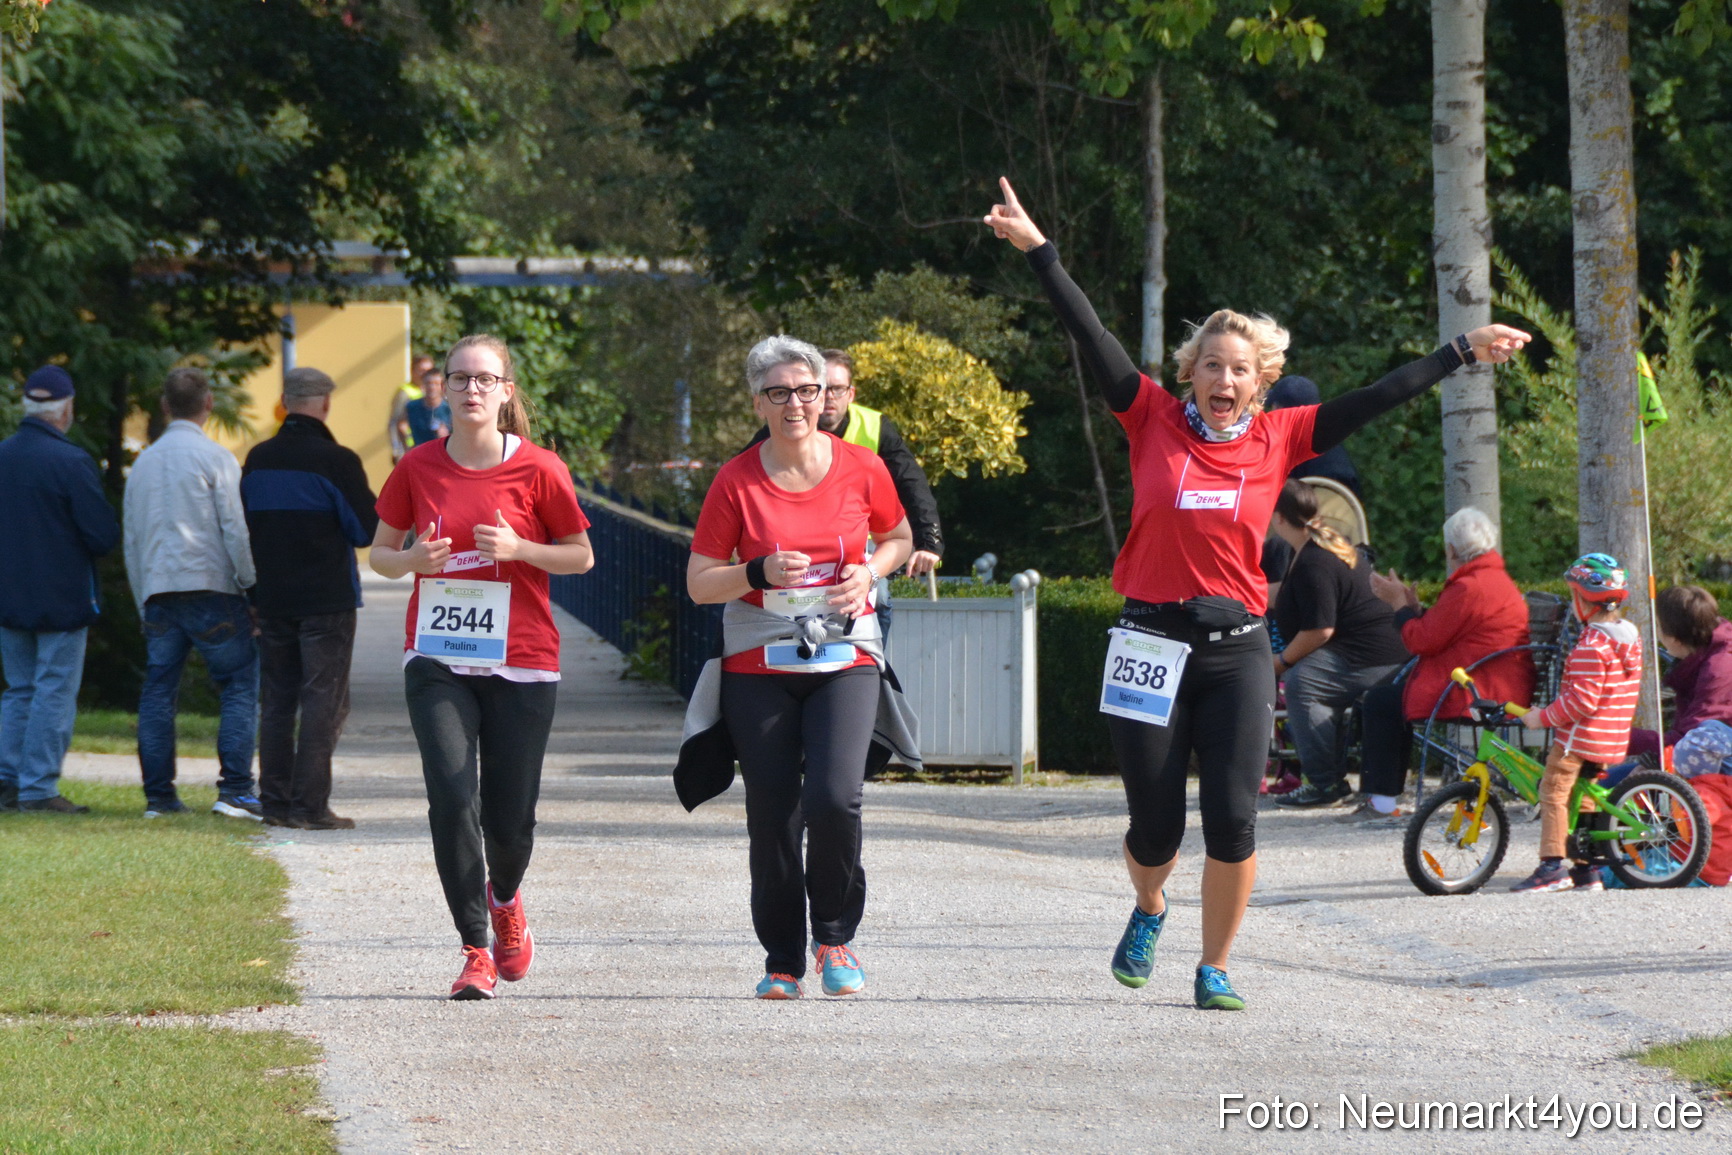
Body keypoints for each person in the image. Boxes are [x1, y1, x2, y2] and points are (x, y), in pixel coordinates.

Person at [984, 175, 1528, 1009]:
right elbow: (1089, 333)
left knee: (1234, 820)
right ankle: (1149, 901)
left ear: (1261, 378)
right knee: (1153, 829)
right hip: (1146, 643)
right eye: (1211, 365)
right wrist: (1040, 251)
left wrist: (1460, 351)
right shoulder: (1149, 416)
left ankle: (1216, 967)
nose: (1224, 378)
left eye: (1240, 368)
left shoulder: (1283, 436)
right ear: (1191, 372)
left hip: (1237, 648)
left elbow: (1377, 397)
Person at [683, 335, 915, 1000]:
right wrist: (755, 571)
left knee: (836, 797)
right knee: (774, 810)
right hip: (760, 662)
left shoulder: (862, 467)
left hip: (844, 654)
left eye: (807, 390)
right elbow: (700, 581)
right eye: (779, 392)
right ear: (758, 401)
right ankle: (782, 957)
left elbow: (900, 537)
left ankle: (835, 935)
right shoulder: (736, 480)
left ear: (827, 397)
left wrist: (868, 570)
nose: (796, 403)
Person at [369, 334, 594, 1000]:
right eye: (459, 378)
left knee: (510, 815)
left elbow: (579, 554)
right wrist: (413, 561)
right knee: (449, 793)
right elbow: (380, 552)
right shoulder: (417, 467)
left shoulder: (541, 469)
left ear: (505, 391)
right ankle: (474, 947)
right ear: (442, 387)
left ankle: (507, 898)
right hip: (437, 656)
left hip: (522, 658)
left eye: (484, 379)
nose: (471, 389)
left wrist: (522, 546)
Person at [241, 367, 379, 830]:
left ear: (283, 402)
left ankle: (275, 803)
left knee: (277, 700)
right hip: (327, 599)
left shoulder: (258, 459)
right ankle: (310, 807)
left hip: (274, 597)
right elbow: (366, 531)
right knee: (324, 701)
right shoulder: (336, 461)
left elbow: (247, 530)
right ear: (324, 404)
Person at [124, 367, 262, 821]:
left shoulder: (142, 463)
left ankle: (159, 798)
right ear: (208, 405)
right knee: (239, 685)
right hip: (212, 587)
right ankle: (236, 790)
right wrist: (250, 584)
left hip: (159, 590)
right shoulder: (216, 457)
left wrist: (141, 594)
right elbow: (234, 529)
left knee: (158, 692)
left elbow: (131, 538)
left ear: (164, 406)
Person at [1355, 507, 1534, 822]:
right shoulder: (1489, 579)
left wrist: (1398, 605)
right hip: (1492, 680)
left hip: (1479, 690)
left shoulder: (1470, 586)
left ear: (1451, 549)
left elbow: (1422, 641)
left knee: (1380, 702)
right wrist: (1412, 608)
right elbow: (1439, 631)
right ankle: (1382, 800)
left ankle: (1382, 803)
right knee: (1384, 699)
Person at [744, 349, 941, 634]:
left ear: (850, 393)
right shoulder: (781, 428)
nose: (831, 398)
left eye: (839, 389)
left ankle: (872, 662)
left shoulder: (874, 427)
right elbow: (739, 482)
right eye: (824, 389)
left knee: (879, 596)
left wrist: (928, 541)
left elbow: (911, 482)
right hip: (794, 542)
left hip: (862, 540)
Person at [0, 366, 121, 814]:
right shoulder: (71, 462)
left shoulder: (3, 456)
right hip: (64, 596)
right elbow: (101, 535)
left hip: (9, 596)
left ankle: (7, 780)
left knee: (19, 689)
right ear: (66, 408)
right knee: (53, 689)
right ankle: (38, 788)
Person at [1268, 480, 1408, 809]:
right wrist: (1236, 597)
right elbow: (1288, 596)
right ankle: (1328, 779)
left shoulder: (1314, 561)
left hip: (1373, 659)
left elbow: (1320, 630)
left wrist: (1281, 662)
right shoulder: (1312, 547)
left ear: (1278, 519)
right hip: (1373, 651)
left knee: (1303, 682)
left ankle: (1324, 784)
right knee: (1307, 675)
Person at [1508, 553, 1643, 892]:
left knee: (1553, 792)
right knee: (1584, 798)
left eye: (1573, 596)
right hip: (1610, 738)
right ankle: (1587, 871)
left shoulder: (1591, 646)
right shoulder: (1629, 638)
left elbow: (1580, 701)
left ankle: (1552, 866)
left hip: (1579, 738)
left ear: (1586, 600)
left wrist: (1542, 717)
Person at [1626, 584, 1732, 777]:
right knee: (1609, 783)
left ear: (1674, 639)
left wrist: (1618, 738)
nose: (1656, 633)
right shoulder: (1704, 655)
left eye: (1658, 626)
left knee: (1612, 789)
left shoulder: (1718, 670)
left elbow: (1689, 740)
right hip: (1691, 758)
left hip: (1714, 770)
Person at [388, 354, 438, 462]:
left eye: (429, 370)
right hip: (411, 446)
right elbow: (394, 421)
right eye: (421, 370)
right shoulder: (405, 393)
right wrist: (397, 449)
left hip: (431, 447)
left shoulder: (435, 392)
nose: (425, 374)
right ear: (413, 371)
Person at [403, 363, 451, 449]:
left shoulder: (449, 408)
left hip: (441, 453)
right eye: (428, 383)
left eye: (436, 384)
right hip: (419, 453)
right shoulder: (412, 406)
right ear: (423, 385)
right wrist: (404, 447)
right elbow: (400, 424)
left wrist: (446, 435)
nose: (432, 387)